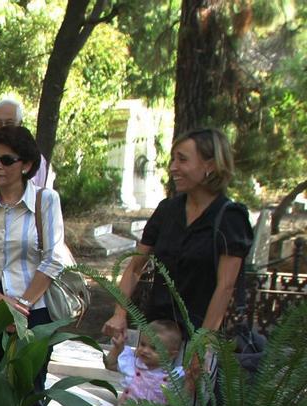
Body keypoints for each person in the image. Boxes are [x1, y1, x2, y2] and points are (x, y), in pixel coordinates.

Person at [102, 128, 253, 383]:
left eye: (182, 159)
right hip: (155, 336)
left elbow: (224, 287)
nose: (173, 167)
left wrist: (201, 345)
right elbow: (135, 267)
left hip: (196, 340)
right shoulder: (168, 210)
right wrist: (119, 313)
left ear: (211, 164)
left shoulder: (229, 218)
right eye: (172, 159)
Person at [0, 125, 66, 397]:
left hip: (34, 312)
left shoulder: (46, 201)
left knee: (28, 392)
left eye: (6, 160)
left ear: (26, 165)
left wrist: (21, 308)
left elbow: (53, 259)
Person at [105, 319, 184, 406]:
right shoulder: (133, 365)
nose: (145, 350)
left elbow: (183, 398)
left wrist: (193, 377)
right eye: (142, 344)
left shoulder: (172, 377)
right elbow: (110, 363)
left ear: (171, 355)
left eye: (154, 348)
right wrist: (117, 348)